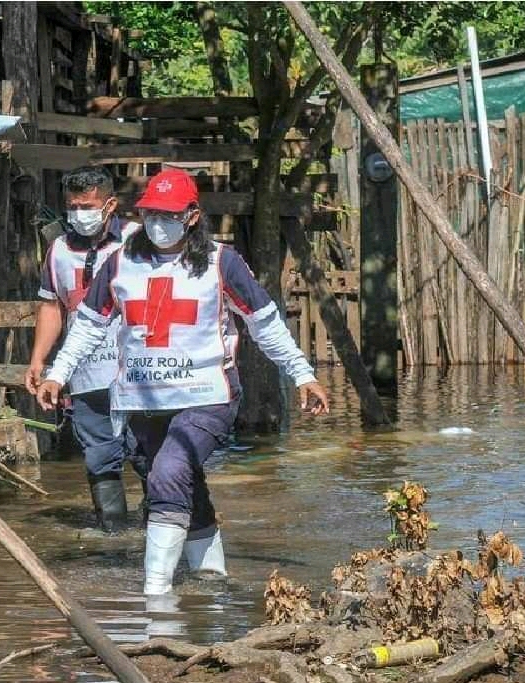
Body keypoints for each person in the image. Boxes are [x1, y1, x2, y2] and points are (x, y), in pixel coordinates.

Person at [36, 167, 330, 595]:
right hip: (142, 399)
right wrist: (58, 373)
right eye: (151, 214)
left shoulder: (220, 262)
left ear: (192, 216)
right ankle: (212, 578)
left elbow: (263, 321)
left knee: (169, 471)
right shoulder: (121, 262)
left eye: (169, 215)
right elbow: (87, 324)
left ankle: (156, 597)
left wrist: (302, 373)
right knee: (179, 479)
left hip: (207, 394)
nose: (158, 223)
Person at [27, 165, 148, 533]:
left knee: (150, 453)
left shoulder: (138, 241)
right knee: (100, 456)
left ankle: (162, 528)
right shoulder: (59, 251)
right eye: (73, 207)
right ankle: (113, 536)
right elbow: (52, 306)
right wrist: (38, 359)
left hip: (140, 373)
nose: (79, 214)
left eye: (87, 206)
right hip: (87, 372)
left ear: (109, 204)